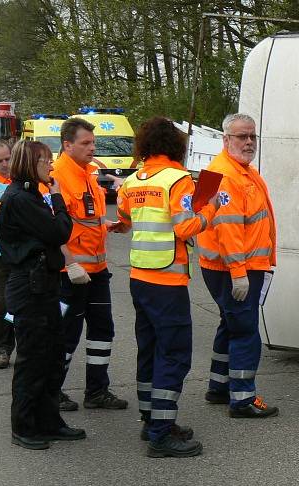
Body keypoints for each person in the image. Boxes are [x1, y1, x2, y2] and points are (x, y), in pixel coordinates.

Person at [114, 116, 219, 457]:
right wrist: (212, 208)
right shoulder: (178, 181)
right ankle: (161, 434)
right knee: (173, 355)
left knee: (149, 350)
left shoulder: (132, 181)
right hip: (167, 281)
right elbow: (186, 227)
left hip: (140, 278)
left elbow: (126, 219)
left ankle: (151, 419)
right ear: (176, 145)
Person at [0, 140, 85, 449]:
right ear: (30, 163)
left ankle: (49, 422)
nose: (51, 166)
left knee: (51, 355)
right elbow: (60, 231)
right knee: (33, 359)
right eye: (46, 160)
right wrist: (59, 195)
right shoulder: (20, 198)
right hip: (28, 288)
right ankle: (24, 427)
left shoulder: (32, 193)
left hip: (44, 284)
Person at [197, 113, 279, 419]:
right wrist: (239, 274)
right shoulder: (228, 175)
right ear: (225, 139)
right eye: (241, 137)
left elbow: (199, 214)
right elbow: (228, 228)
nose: (248, 142)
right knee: (245, 331)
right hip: (236, 267)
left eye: (252, 136)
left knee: (228, 323)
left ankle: (219, 387)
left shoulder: (228, 171)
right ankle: (243, 399)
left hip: (222, 265)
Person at [53, 117, 126, 411]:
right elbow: (54, 227)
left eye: (93, 143)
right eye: (86, 143)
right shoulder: (56, 176)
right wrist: (71, 264)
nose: (92, 148)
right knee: (66, 334)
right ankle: (52, 390)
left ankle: (97, 391)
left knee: (102, 330)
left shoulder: (89, 172)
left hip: (97, 272)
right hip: (69, 274)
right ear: (67, 144)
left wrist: (108, 225)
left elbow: (87, 218)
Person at [0, 140, 15, 368]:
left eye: (7, 159)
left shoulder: (18, 182)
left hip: (19, 252)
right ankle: (1, 347)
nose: (5, 164)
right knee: (1, 303)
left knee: (19, 301)